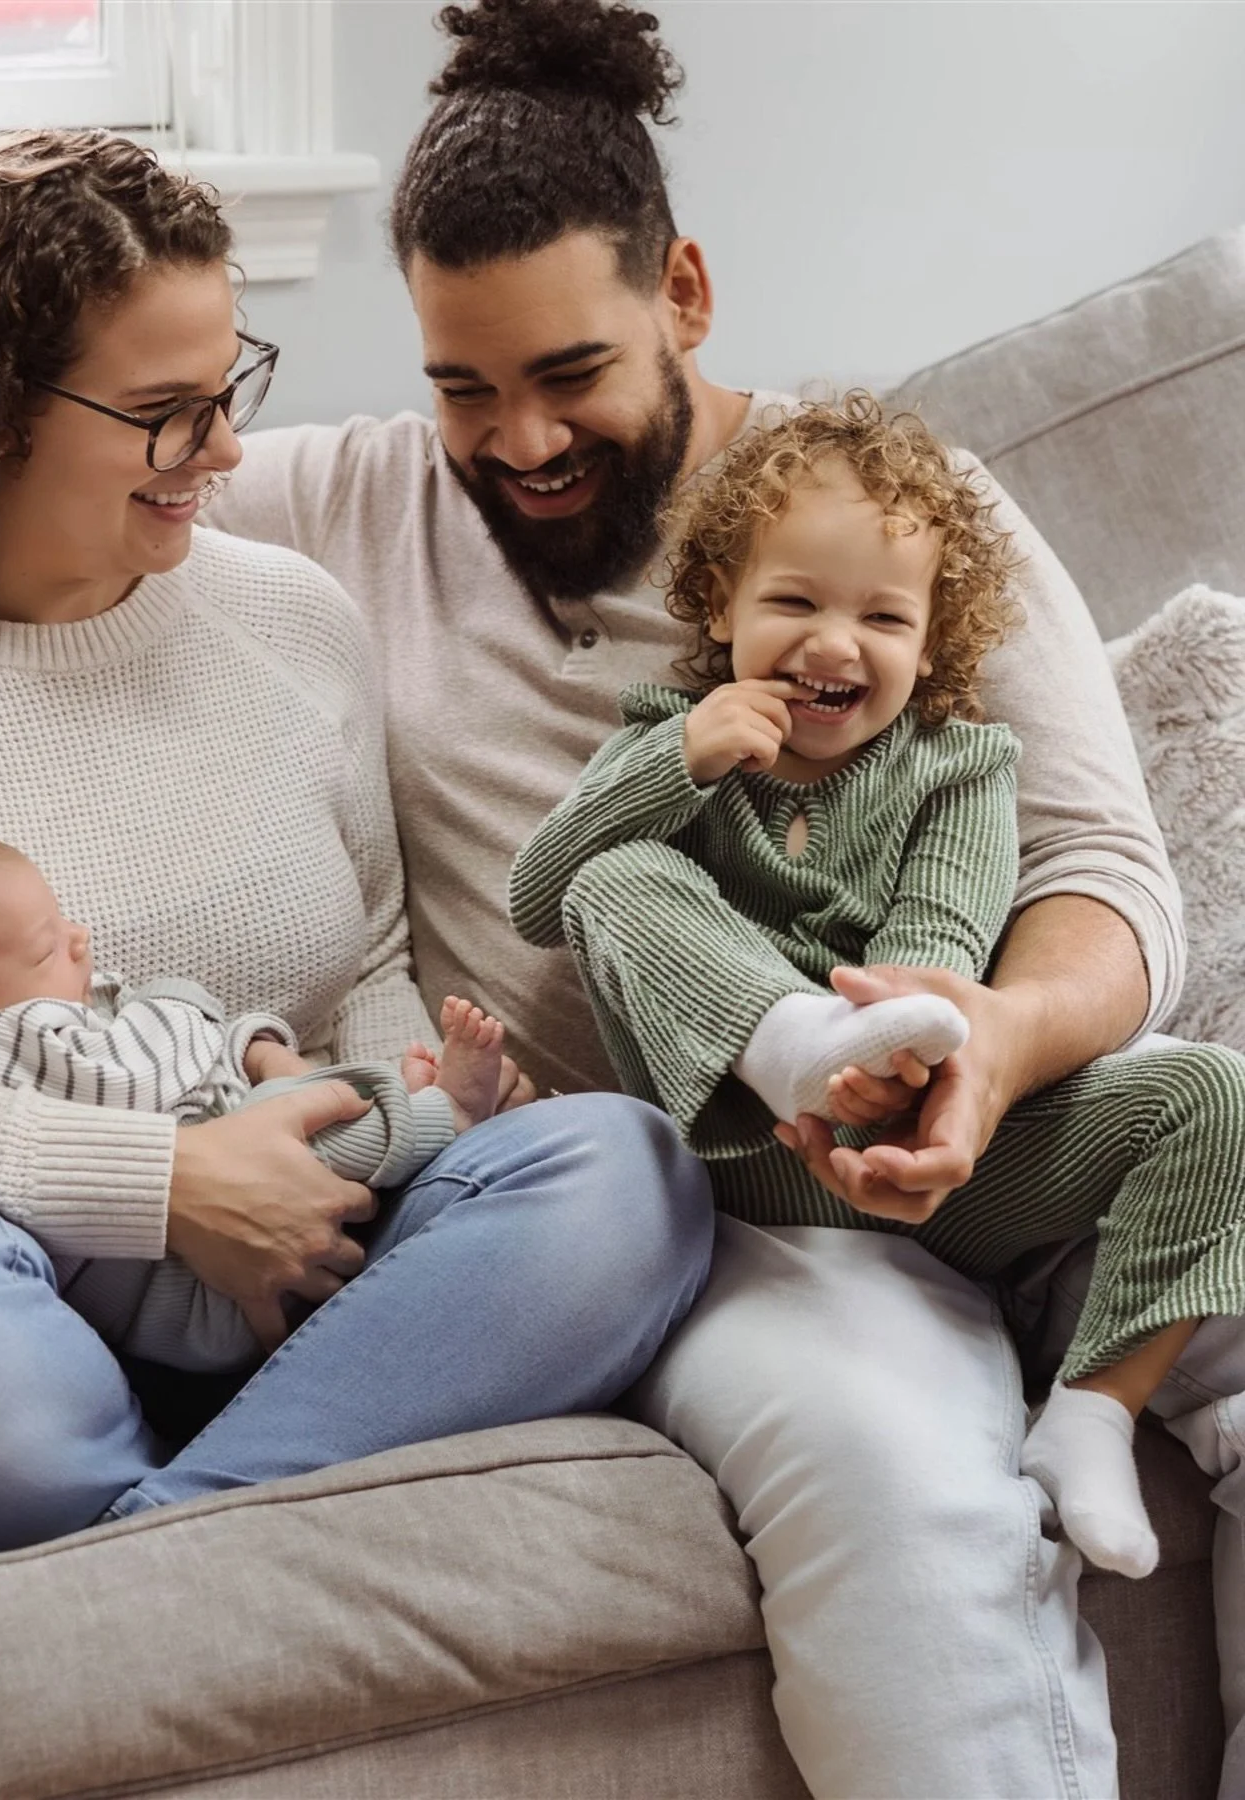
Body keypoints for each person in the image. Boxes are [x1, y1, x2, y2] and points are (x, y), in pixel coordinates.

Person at [206, 1, 1245, 1792]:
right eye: (465, 383)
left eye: (571, 374)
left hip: (991, 1107)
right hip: (723, 1193)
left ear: (684, 291)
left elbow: (1098, 872)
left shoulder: (907, 517)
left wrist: (992, 1038)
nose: (518, 440)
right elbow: (55, 480)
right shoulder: (352, 508)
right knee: (897, 1475)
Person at [0, 126, 714, 1592]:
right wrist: (162, 1186)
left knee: (624, 1170)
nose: (225, 452)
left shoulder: (290, 621)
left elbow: (361, 967)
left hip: (316, 1291)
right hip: (10, 1320)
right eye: (169, 411)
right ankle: (233, 1527)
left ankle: (141, 1559)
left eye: (231, 389)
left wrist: (408, 1130)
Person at [512, 392, 1245, 1580]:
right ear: (721, 607)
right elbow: (540, 897)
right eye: (794, 603)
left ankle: (1094, 1414)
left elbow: (938, 957)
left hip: (930, 1155)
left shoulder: (963, 765)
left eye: (882, 617)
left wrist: (896, 1079)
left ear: (932, 640)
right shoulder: (671, 743)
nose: (834, 645)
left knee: (1213, 1094)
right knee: (618, 877)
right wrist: (676, 761)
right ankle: (788, 1037)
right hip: (749, 1155)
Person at [0, 826, 512, 1374]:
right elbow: (148, 1075)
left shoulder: (44, 1019)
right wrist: (181, 1000)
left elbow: (204, 1054)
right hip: (197, 1292)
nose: (80, 940)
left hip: (254, 1214)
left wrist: (259, 1051)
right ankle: (442, 1116)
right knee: (331, 1134)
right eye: (46, 947)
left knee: (585, 1145)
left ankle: (422, 1113)